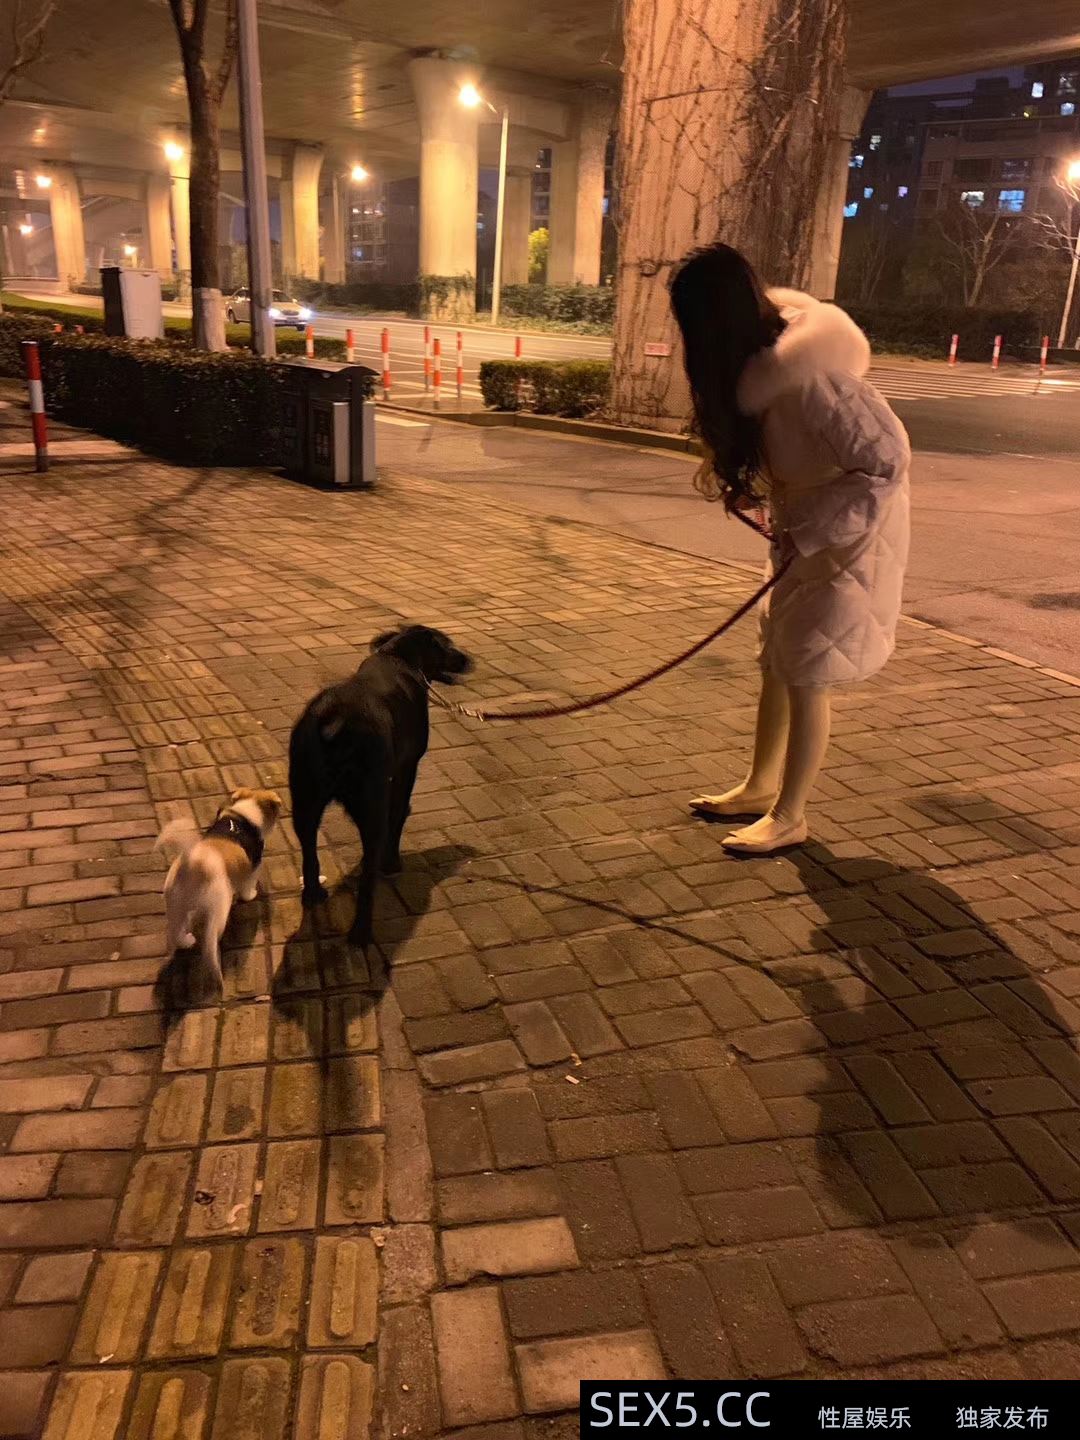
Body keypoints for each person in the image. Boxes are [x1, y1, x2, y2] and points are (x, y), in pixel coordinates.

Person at [669, 242, 910, 855]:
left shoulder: (817, 380)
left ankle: (790, 813)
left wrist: (811, 529)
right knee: (778, 660)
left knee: (807, 671)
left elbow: (886, 465)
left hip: (845, 543)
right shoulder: (765, 377)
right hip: (801, 534)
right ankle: (759, 787)